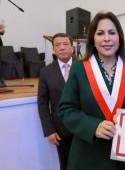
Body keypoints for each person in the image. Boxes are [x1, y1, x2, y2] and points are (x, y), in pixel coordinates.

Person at [59, 11, 125, 170]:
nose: (106, 38)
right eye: (100, 33)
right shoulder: (79, 69)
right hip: (88, 156)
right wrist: (92, 126)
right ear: (92, 39)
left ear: (120, 37)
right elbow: (66, 109)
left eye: (112, 32)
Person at [38, 33, 75, 170]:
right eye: (57, 45)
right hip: (60, 130)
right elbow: (42, 104)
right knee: (65, 165)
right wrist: (49, 130)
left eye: (65, 44)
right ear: (53, 50)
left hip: (83, 127)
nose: (62, 48)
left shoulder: (84, 68)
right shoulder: (45, 72)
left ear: (72, 48)